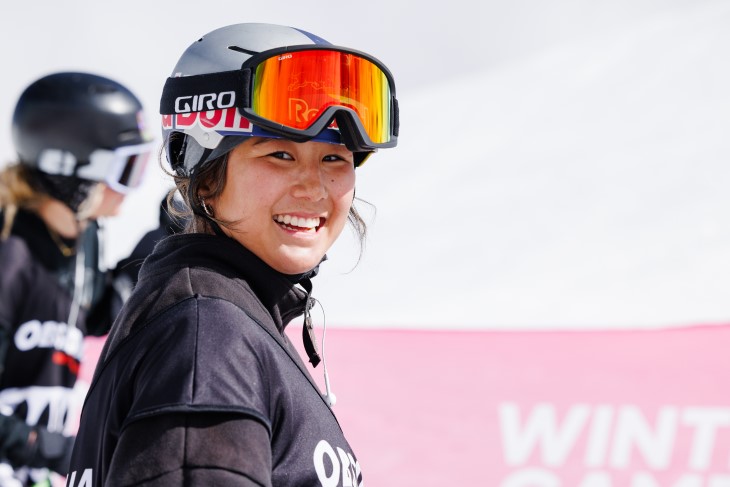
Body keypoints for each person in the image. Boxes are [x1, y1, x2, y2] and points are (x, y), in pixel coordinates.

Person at [67, 22, 399, 486]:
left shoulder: (229, 319)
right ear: (206, 179)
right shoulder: (207, 338)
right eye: (279, 155)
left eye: (334, 159)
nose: (314, 188)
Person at [0, 72, 153, 485]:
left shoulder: (82, 236)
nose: (132, 188)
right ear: (71, 169)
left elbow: (93, 315)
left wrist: (164, 243)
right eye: (126, 169)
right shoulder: (10, 259)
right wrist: (57, 449)